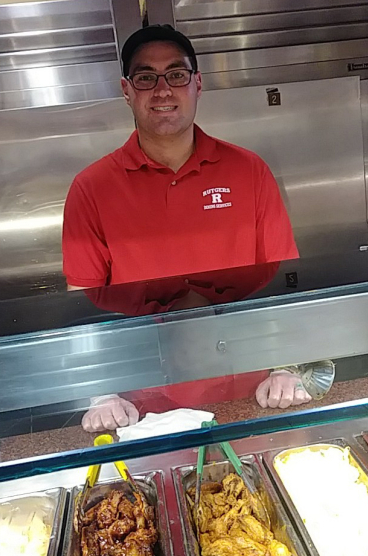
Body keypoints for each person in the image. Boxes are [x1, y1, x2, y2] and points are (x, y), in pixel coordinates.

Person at [62, 25, 314, 432]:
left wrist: (286, 365)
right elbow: (85, 306)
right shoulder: (91, 188)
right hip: (143, 406)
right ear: (127, 90)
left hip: (253, 391)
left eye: (176, 74)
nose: (163, 90)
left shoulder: (249, 171)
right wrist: (103, 391)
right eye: (146, 78)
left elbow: (279, 285)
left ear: (197, 83)